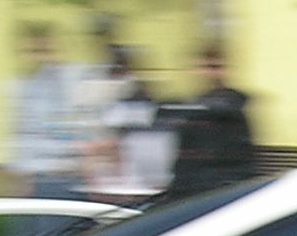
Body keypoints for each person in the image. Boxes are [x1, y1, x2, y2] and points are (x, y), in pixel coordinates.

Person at [5, 26, 91, 203]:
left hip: (64, 176)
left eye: (42, 51)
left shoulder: (71, 82)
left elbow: (76, 128)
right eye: (31, 52)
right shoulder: (18, 87)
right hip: (32, 178)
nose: (38, 58)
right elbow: (16, 135)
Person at [161, 47, 257, 200]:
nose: (211, 73)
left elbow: (240, 155)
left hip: (218, 188)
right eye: (206, 67)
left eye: (215, 67)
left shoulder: (231, 107)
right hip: (194, 187)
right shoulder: (194, 108)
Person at [83, 47, 175, 206]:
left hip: (155, 189)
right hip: (134, 189)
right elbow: (107, 147)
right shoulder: (122, 108)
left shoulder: (160, 107)